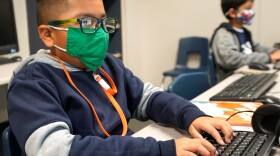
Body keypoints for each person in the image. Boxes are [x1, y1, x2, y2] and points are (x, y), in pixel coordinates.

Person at [7, 0, 234, 155]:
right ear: (48, 34)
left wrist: (190, 116)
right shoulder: (32, 83)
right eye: (86, 23)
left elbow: (148, 97)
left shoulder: (106, 63)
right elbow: (55, 150)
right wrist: (159, 151)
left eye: (103, 22)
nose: (101, 32)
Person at [210, 0, 280, 81]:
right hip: (231, 81)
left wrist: (274, 52)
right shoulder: (223, 34)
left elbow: (257, 47)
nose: (251, 12)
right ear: (232, 13)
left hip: (247, 77)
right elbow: (231, 59)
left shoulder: (245, 32)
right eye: (248, 8)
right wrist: (269, 57)